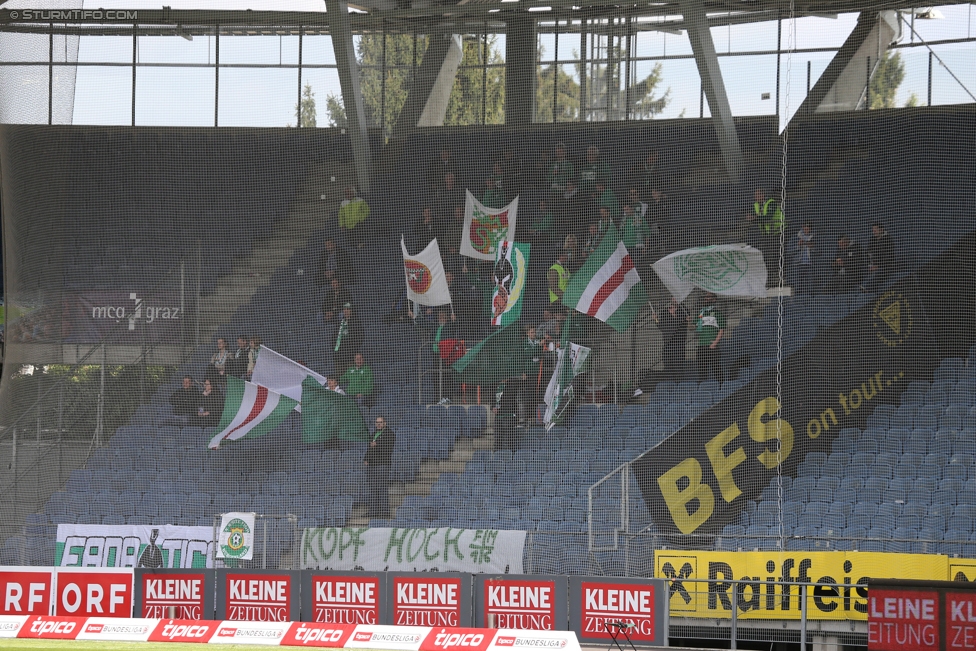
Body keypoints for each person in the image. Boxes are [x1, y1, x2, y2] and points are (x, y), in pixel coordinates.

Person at [747, 188, 786, 281]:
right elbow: (752, 215)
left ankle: (779, 275)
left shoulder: (771, 202)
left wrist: (755, 218)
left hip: (778, 232)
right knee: (766, 254)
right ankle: (769, 276)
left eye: (757, 194)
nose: (755, 197)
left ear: (762, 195)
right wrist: (752, 217)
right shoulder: (756, 205)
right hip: (766, 234)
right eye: (755, 195)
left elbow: (768, 217)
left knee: (775, 253)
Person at [363, 416, 396, 519]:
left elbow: (387, 447)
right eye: (377, 422)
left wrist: (376, 444)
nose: (378, 424)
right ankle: (373, 511)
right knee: (372, 488)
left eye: (380, 422)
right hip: (372, 465)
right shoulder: (374, 434)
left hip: (382, 464)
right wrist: (366, 458)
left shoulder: (389, 433)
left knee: (382, 487)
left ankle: (385, 512)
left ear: (385, 423)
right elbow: (370, 447)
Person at [693, 293, 725, 382]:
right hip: (701, 346)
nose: (706, 299)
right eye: (705, 297)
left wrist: (715, 343)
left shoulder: (718, 313)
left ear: (714, 299)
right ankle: (703, 387)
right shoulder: (701, 313)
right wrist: (689, 321)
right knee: (702, 370)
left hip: (712, 346)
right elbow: (692, 327)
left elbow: (721, 330)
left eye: (708, 297)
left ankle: (721, 385)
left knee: (716, 368)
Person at [655, 298, 688, 380]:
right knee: (668, 366)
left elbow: (682, 325)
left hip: (679, 344)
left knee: (678, 367)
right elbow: (662, 327)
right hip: (667, 344)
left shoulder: (683, 310)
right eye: (673, 298)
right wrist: (655, 320)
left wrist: (674, 314)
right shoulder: (665, 312)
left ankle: (678, 385)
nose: (674, 299)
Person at [334, 303, 364, 374]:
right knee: (339, 376)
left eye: (348, 309)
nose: (346, 311)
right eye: (344, 309)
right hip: (339, 355)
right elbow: (334, 337)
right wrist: (335, 349)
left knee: (351, 375)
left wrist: (353, 348)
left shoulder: (356, 322)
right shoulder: (340, 322)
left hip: (350, 354)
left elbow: (360, 337)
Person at [865, 222, 895, 292]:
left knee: (878, 274)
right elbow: (868, 254)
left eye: (876, 229)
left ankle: (870, 291)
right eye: (873, 229)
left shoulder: (888, 240)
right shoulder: (872, 240)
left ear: (882, 229)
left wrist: (878, 266)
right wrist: (870, 265)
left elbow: (888, 258)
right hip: (874, 266)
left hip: (886, 266)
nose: (874, 231)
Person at [493, 376, 520, 451]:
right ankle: (497, 455)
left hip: (509, 415)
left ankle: (512, 454)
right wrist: (493, 407)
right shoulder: (496, 385)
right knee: (498, 438)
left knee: (510, 437)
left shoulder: (512, 383)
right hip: (498, 417)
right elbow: (492, 399)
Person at [794, 222, 817, 294]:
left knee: (810, 284)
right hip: (799, 264)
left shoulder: (814, 237)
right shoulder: (796, 237)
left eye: (808, 228)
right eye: (805, 227)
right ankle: (798, 296)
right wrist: (798, 246)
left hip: (810, 264)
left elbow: (819, 250)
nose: (806, 229)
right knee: (798, 284)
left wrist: (812, 247)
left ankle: (810, 296)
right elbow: (790, 250)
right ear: (802, 227)